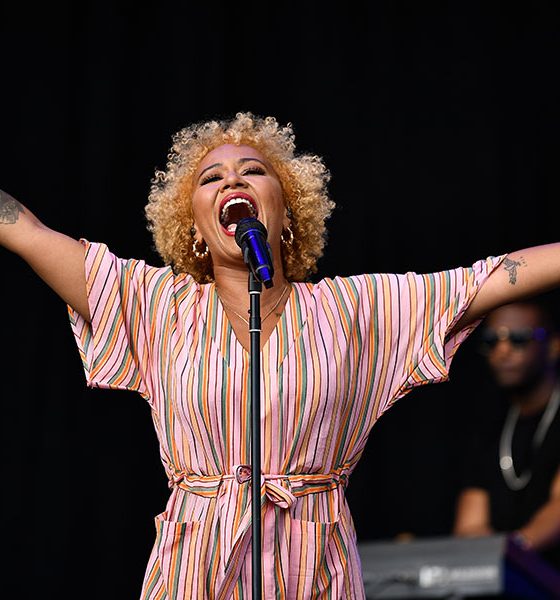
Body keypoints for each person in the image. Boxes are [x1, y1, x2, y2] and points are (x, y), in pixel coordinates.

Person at [2, 111, 560, 600]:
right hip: (194, 570)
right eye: (211, 177)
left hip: (315, 569)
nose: (233, 180)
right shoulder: (156, 306)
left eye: (253, 170)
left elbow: (489, 278)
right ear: (194, 227)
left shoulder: (358, 309)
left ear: (288, 212)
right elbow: (26, 230)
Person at [453, 297, 560, 572]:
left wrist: (509, 553)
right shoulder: (490, 424)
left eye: (519, 339)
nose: (503, 351)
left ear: (553, 346)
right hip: (505, 576)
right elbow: (470, 525)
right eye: (492, 341)